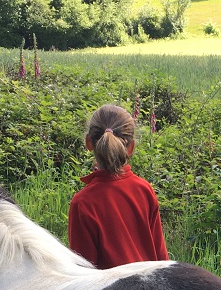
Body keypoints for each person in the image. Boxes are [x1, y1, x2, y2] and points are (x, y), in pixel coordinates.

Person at [67, 104, 168, 268]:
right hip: (153, 288)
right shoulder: (144, 189)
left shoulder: (83, 203)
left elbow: (85, 275)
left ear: (88, 143)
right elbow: (162, 258)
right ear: (131, 147)